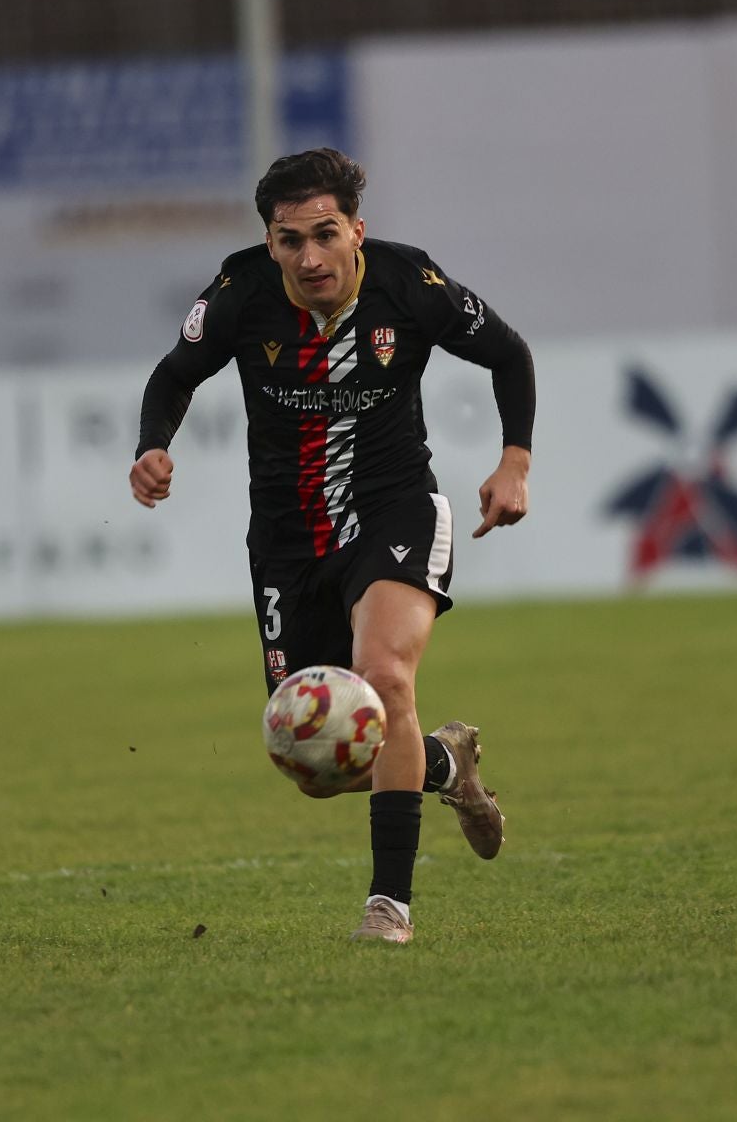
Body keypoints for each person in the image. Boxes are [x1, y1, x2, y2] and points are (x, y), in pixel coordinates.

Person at [130, 147, 536, 944]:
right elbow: (173, 374)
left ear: (357, 228)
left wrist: (514, 462)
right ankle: (446, 767)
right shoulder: (241, 292)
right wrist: (152, 446)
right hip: (287, 541)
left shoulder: (408, 286)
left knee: (383, 678)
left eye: (325, 234)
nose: (309, 257)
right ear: (270, 242)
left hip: (395, 510)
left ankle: (390, 908)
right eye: (290, 240)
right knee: (317, 761)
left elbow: (508, 354)